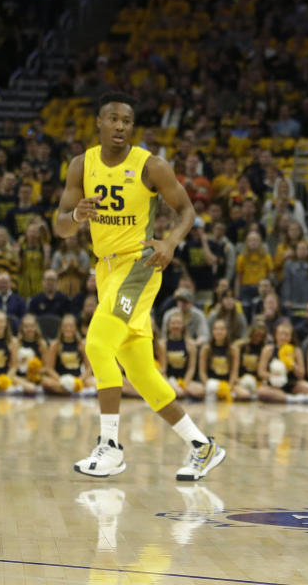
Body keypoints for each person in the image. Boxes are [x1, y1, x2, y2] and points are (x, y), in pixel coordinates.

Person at [54, 91, 225, 480]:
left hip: (139, 266)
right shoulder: (81, 165)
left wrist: (170, 242)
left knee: (97, 344)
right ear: (99, 123)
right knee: (140, 369)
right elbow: (61, 227)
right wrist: (75, 215)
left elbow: (187, 210)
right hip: (105, 271)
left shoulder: (151, 165)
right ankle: (202, 446)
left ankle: (110, 446)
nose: (119, 126)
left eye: (126, 121)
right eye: (112, 118)